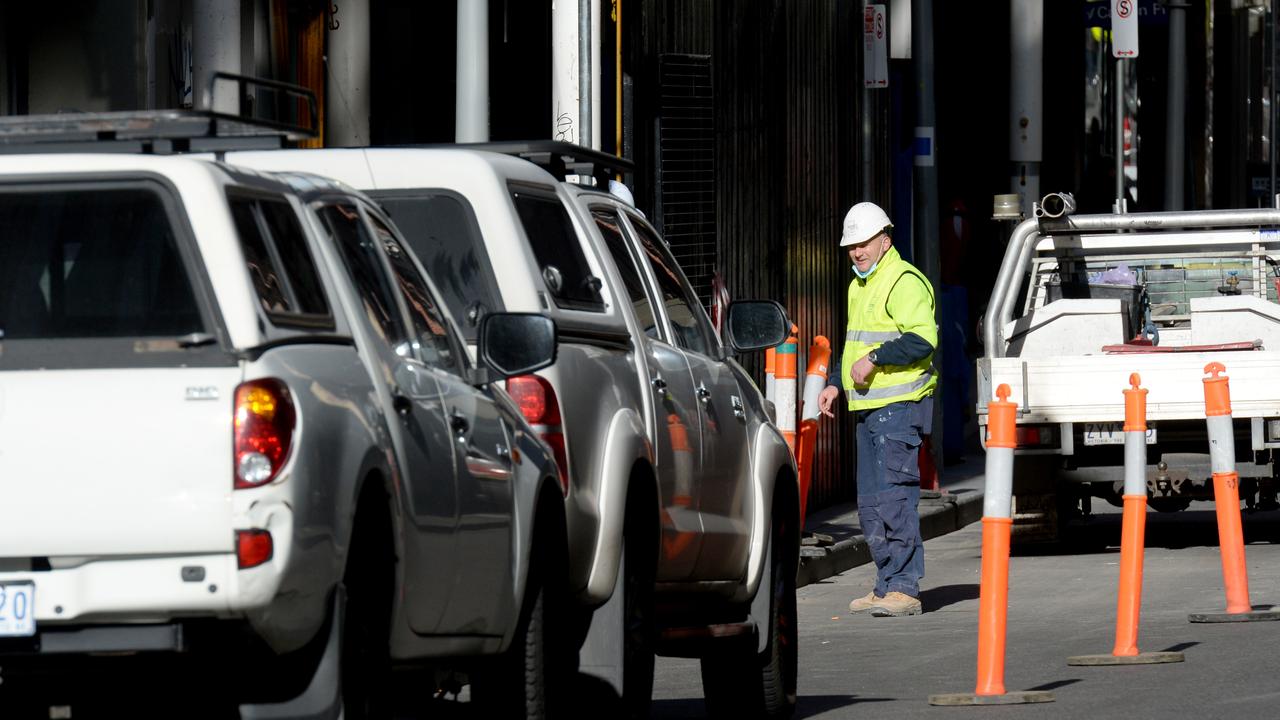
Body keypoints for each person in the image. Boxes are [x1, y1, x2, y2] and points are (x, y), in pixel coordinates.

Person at [817, 201, 938, 618]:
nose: (856, 251)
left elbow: (922, 340)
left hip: (900, 408)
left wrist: (876, 360)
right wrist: (836, 383)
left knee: (894, 499)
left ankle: (905, 586)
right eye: (851, 245)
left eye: (863, 243)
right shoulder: (859, 285)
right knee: (871, 502)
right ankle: (886, 582)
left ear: (885, 240)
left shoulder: (904, 281)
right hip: (870, 409)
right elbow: (855, 344)